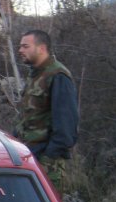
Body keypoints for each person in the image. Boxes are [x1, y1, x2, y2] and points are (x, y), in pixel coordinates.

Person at [14, 29, 79, 187]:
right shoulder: (36, 75)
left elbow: (66, 127)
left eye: (25, 46)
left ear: (41, 48)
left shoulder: (58, 76)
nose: (20, 50)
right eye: (20, 46)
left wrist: (48, 159)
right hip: (27, 156)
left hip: (46, 164)